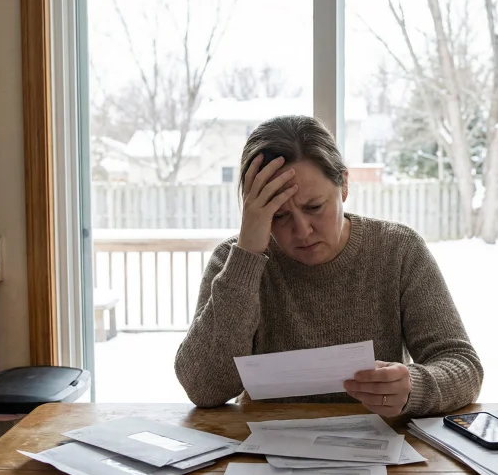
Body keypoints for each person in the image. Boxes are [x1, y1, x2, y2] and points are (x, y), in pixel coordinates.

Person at [174, 115, 482, 417]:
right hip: (264, 443)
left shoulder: (398, 249)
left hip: (379, 441)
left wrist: (413, 387)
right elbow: (204, 388)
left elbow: (463, 365)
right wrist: (247, 257)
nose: (302, 230)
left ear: (344, 185)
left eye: (314, 207)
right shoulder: (233, 262)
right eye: (279, 216)